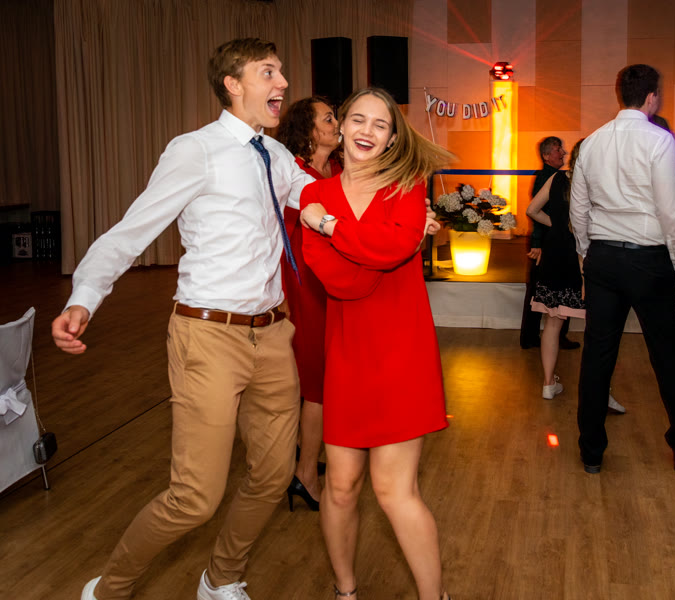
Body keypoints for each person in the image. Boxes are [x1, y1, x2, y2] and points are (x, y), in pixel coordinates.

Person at [54, 38, 315, 600]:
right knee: (195, 497)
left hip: (274, 335)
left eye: (281, 72)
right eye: (269, 72)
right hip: (208, 336)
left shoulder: (276, 156)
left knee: (273, 477)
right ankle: (108, 590)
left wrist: (393, 205)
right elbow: (131, 231)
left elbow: (323, 202)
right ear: (233, 84)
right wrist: (84, 298)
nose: (283, 83)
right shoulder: (195, 150)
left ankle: (221, 579)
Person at [298, 87, 453, 600]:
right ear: (341, 126)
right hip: (348, 355)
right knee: (340, 486)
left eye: (380, 124)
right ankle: (345, 592)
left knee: (394, 490)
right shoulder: (314, 193)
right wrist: (382, 246)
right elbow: (339, 278)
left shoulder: (405, 186)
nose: (367, 131)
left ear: (391, 139)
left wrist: (330, 227)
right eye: (358, 120)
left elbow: (389, 252)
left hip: (401, 352)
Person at [570, 64, 675, 474]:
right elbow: (671, 210)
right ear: (651, 97)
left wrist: (586, 254)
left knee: (598, 355)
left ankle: (591, 450)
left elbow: (578, 210)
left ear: (620, 95)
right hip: (649, 259)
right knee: (667, 354)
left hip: (603, 258)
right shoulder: (659, 140)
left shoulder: (591, 142)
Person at [274, 96, 343, 511]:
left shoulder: (336, 168)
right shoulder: (292, 172)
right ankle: (304, 474)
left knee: (328, 374)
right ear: (307, 130)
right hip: (303, 282)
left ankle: (307, 458)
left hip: (332, 280)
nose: (337, 124)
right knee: (316, 377)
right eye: (329, 118)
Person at [526, 140, 626, 414]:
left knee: (553, 321)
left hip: (555, 254)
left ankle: (548, 384)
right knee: (599, 328)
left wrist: (558, 225)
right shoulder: (599, 182)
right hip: (588, 257)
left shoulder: (557, 178)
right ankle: (601, 392)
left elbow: (532, 210)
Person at [519, 136, 578, 351]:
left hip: (552, 240)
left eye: (562, 148)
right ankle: (534, 337)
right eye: (557, 149)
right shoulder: (548, 177)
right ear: (545, 156)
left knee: (546, 289)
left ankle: (545, 336)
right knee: (539, 290)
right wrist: (538, 243)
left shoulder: (556, 176)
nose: (563, 153)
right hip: (547, 242)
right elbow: (537, 212)